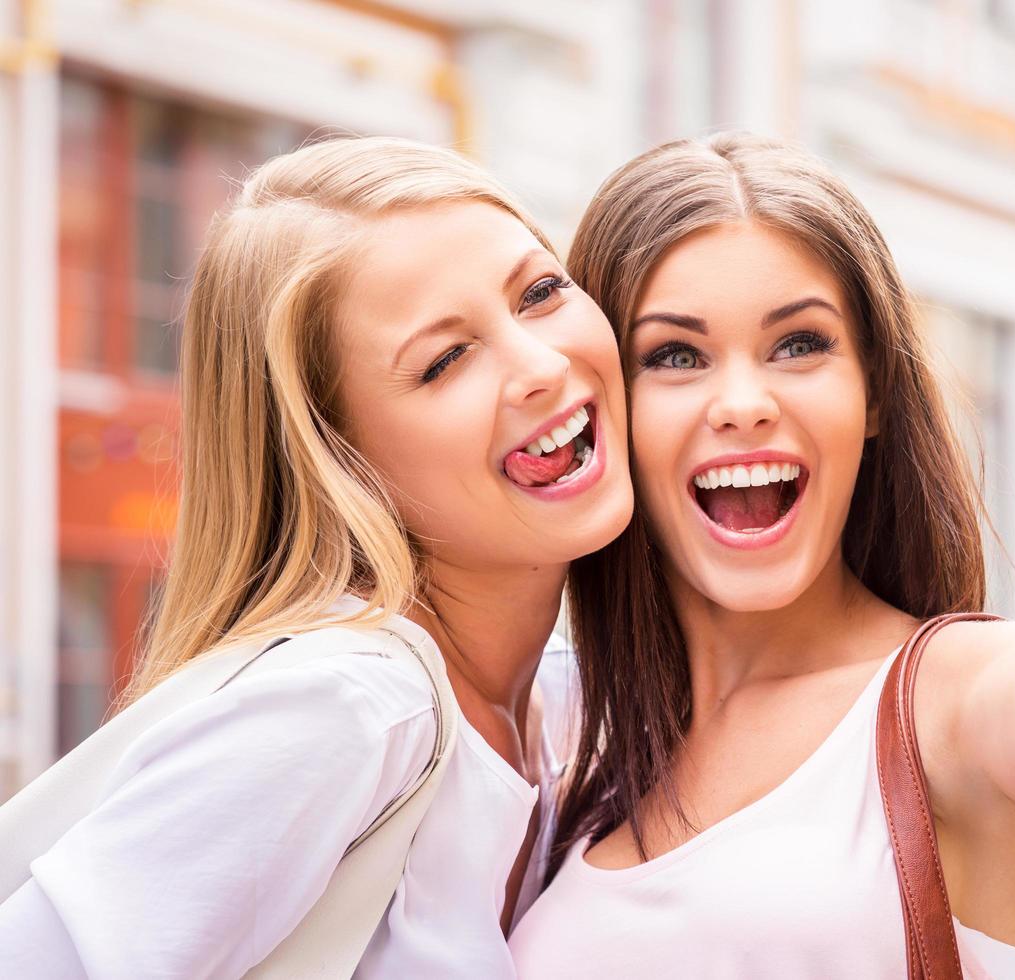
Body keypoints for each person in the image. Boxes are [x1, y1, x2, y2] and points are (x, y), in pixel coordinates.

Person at [509, 122, 1015, 977]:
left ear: (872, 394)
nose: (743, 401)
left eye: (799, 344)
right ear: (608, 409)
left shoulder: (942, 698)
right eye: (675, 355)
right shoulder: (582, 752)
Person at [0, 135, 633, 977]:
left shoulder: (563, 704)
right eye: (444, 361)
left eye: (541, 291)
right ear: (334, 453)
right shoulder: (348, 707)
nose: (541, 366)